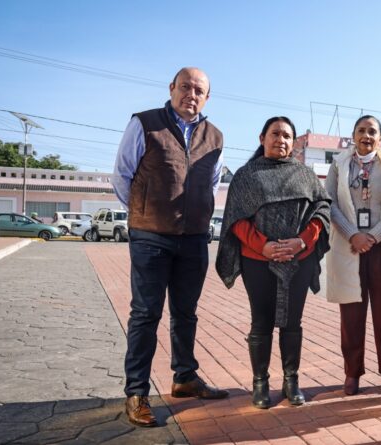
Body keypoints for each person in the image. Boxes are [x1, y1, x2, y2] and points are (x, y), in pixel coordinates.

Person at [113, 67, 227, 428]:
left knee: (186, 313)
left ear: (207, 97)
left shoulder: (215, 136)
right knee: (146, 314)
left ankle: (185, 378)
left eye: (199, 90)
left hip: (193, 238)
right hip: (151, 237)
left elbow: (211, 184)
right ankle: (137, 392)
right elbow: (122, 175)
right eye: (185, 87)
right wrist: (144, 212)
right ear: (172, 88)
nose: (191, 94)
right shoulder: (145, 123)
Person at [216, 117, 331, 409]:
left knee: (293, 322)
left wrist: (302, 241)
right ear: (262, 138)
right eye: (275, 134)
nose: (281, 140)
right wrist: (263, 246)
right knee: (261, 321)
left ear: (294, 143)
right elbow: (235, 220)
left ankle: (291, 381)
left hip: (299, 259)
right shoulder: (247, 176)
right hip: (257, 260)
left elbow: (322, 210)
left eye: (287, 136)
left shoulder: (305, 175)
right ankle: (260, 382)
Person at [324, 115, 381, 396]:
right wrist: (353, 234)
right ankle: (352, 373)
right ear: (353, 135)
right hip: (349, 247)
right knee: (351, 315)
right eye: (361, 130)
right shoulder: (338, 166)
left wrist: (373, 236)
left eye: (372, 131)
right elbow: (329, 202)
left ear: (380, 138)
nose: (366, 135)